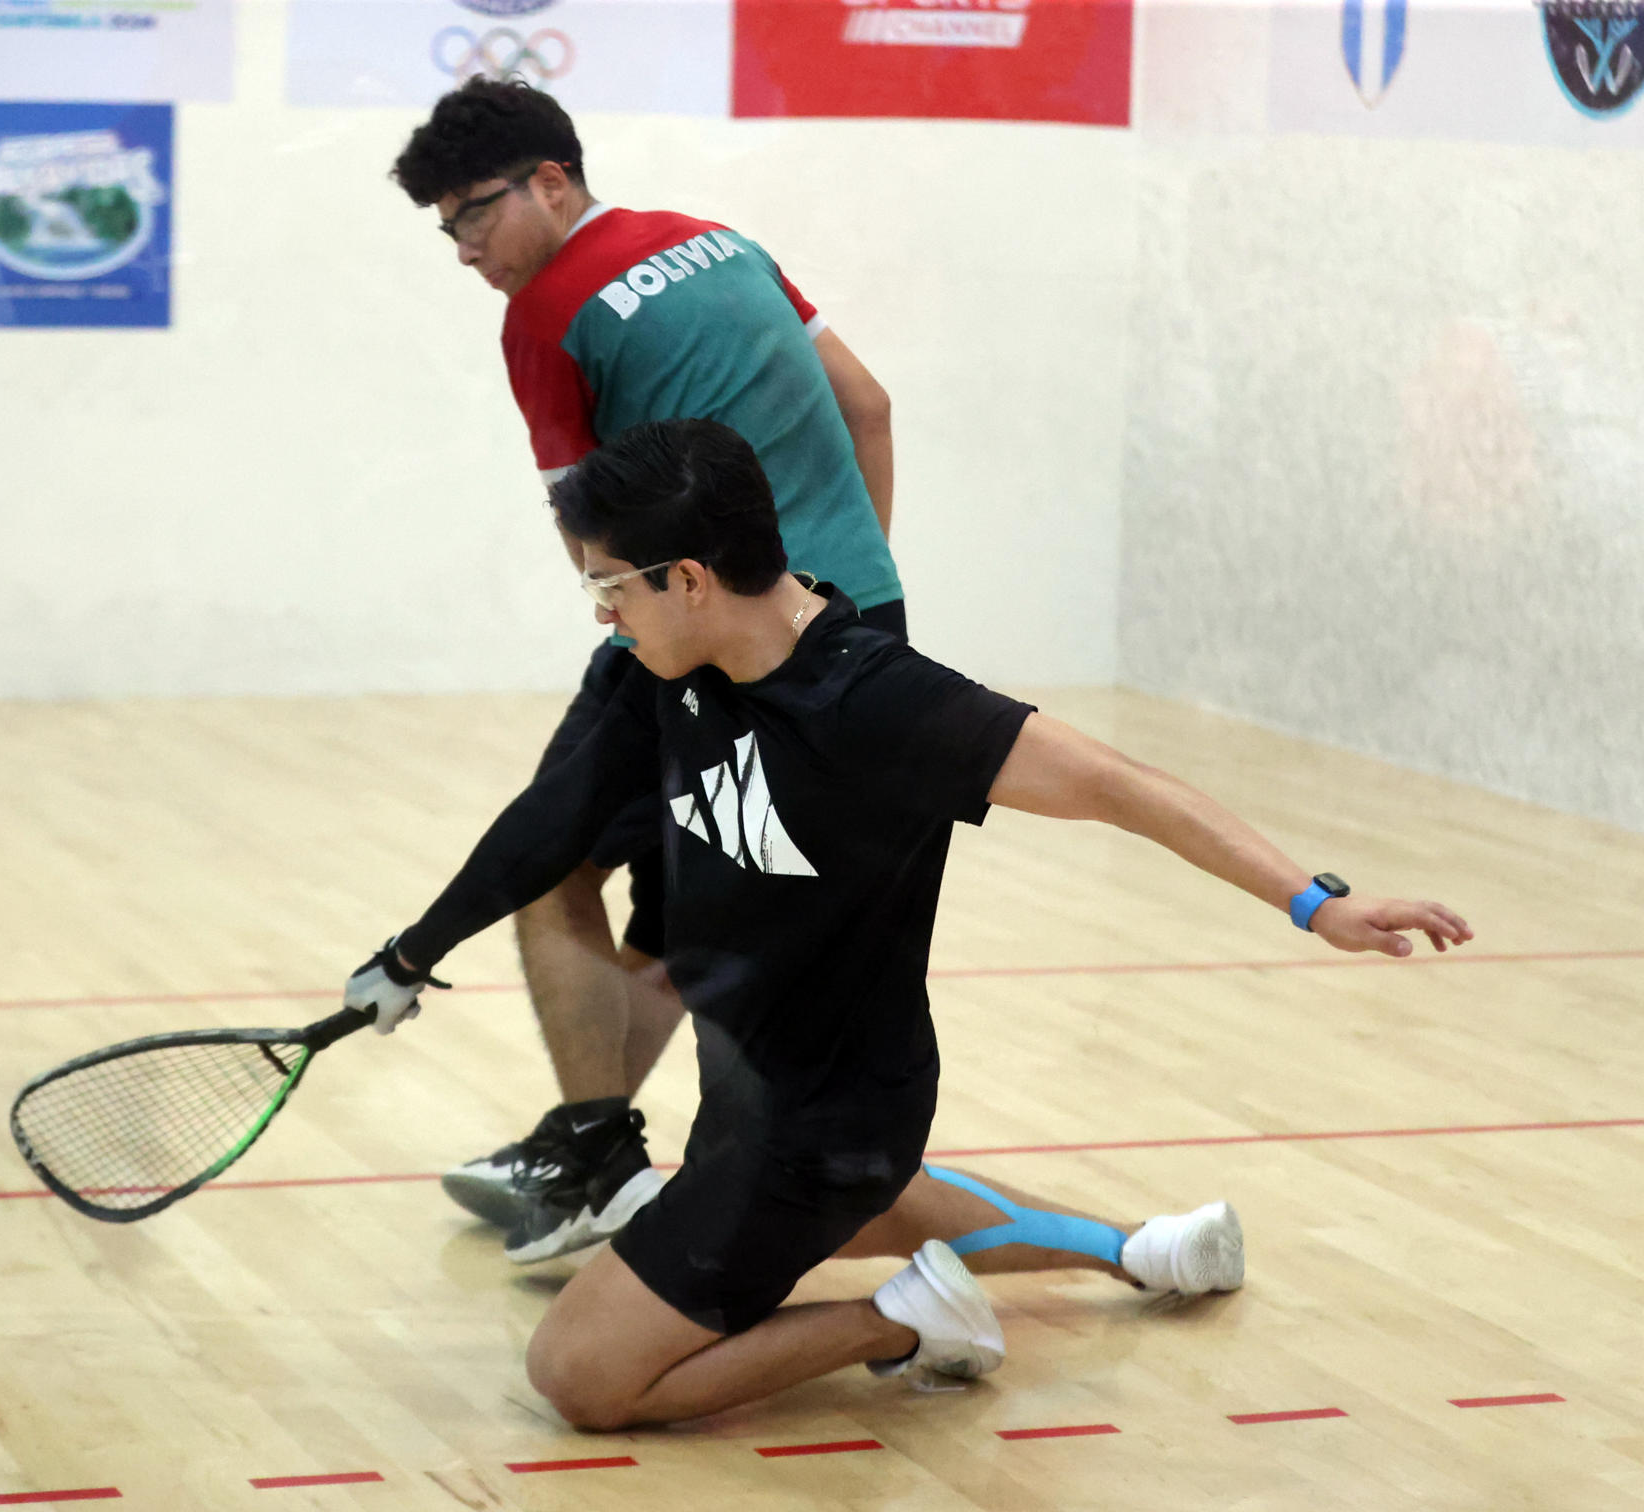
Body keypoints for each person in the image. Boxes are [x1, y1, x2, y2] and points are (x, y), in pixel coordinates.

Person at [338, 419, 1473, 1429]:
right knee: (881, 1202)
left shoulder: (880, 702)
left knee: (580, 1375)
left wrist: (1318, 902)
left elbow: (1121, 786)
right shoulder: (667, 670)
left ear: (688, 577)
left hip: (826, 1120)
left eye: (612, 586)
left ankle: (903, 1323)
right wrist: (410, 955)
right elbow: (555, 823)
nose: (604, 613)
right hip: (764, 1102)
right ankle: (1136, 1251)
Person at [390, 78, 906, 1262]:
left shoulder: (549, 314)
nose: (465, 249)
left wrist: (636, 640)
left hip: (699, 637)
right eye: (447, 227)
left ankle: (596, 1163)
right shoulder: (722, 243)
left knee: (551, 862)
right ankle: (587, 1145)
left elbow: (587, 521)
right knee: (681, 912)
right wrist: (848, 591)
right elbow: (868, 407)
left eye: (475, 214)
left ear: (554, 182)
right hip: (856, 622)